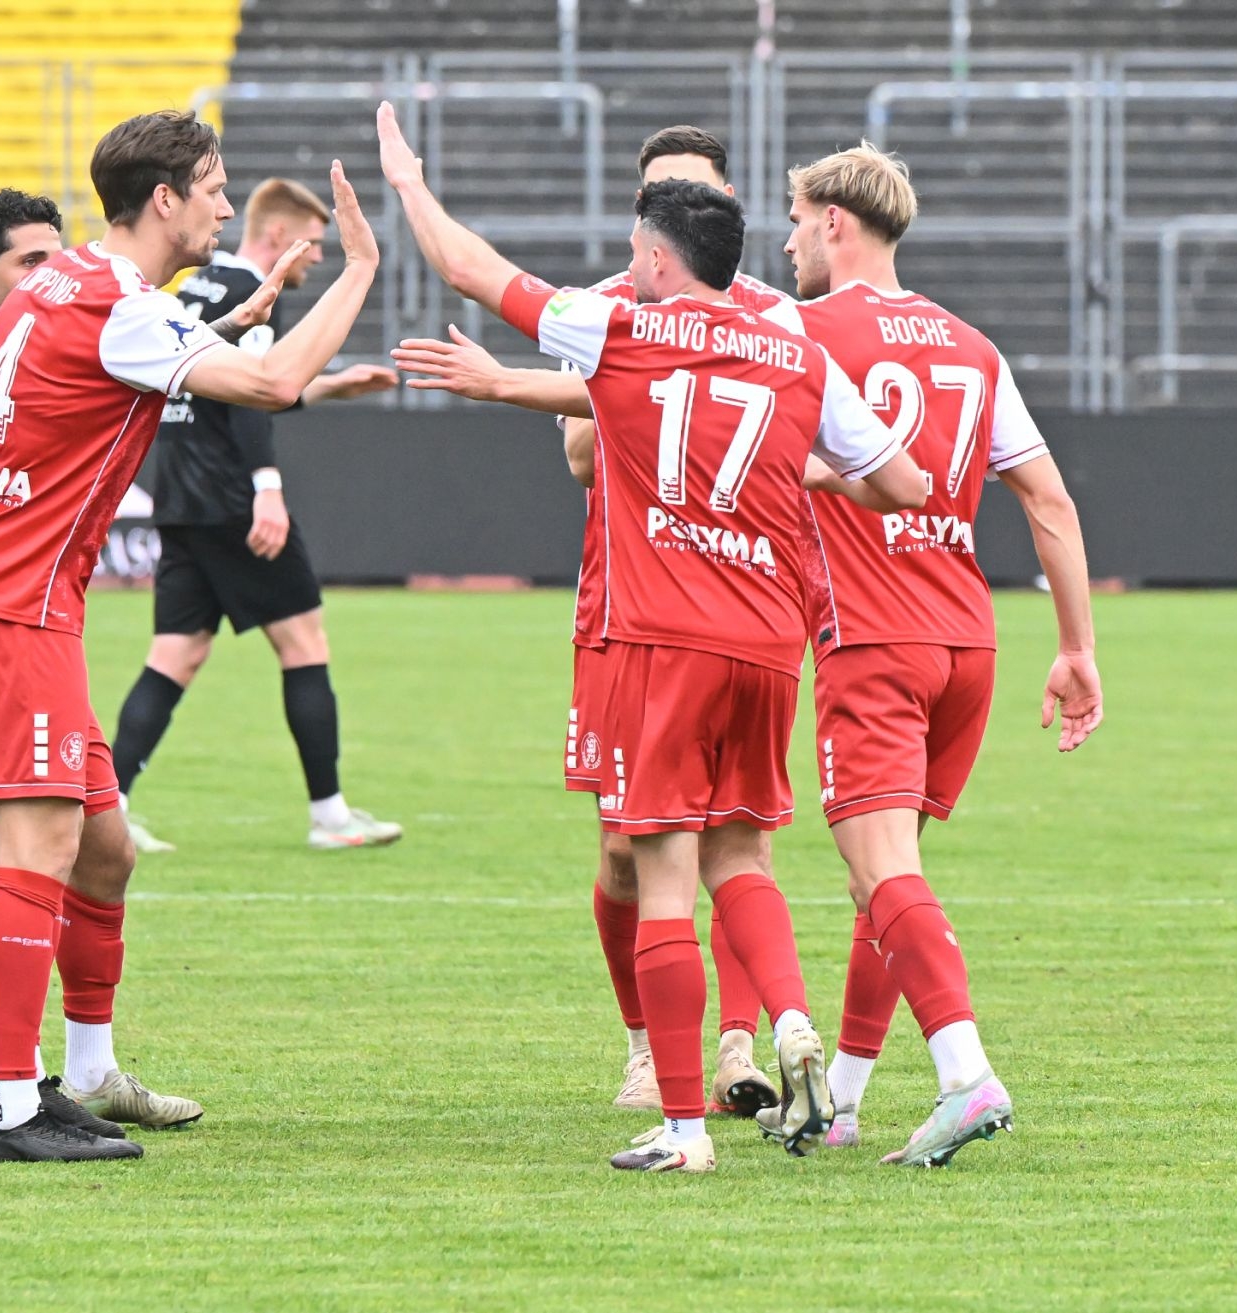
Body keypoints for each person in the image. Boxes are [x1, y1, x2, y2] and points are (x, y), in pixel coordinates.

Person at [377, 101, 927, 1172]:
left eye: (638, 248)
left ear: (664, 259)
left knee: (664, 874)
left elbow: (470, 269)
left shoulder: (621, 326)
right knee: (743, 855)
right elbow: (902, 483)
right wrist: (794, 470)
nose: (630, 264)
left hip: (663, 638)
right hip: (768, 642)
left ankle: (681, 1127)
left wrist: (409, 184)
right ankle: (791, 1021)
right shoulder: (796, 346)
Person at [0, 110, 382, 1162]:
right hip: (8, 601)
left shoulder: (62, 282)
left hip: (6, 590)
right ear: (165, 199)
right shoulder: (120, 309)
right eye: (214, 188)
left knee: (106, 848)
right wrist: (359, 268)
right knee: (41, 844)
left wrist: (255, 307)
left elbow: (145, 348)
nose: (227, 205)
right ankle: (11, 1106)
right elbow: (267, 384)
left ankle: (86, 1071)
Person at [0, 190, 294, 1148]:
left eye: (56, 256)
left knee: (106, 850)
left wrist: (216, 330)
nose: (52, 275)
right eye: (29, 263)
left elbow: (117, 357)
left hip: (31, 639)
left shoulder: (49, 343)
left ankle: (88, 1069)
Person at [391, 126, 805, 1120]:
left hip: (687, 619)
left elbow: (473, 271)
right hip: (624, 613)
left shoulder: (762, 316)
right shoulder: (619, 311)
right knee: (629, 852)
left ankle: (733, 1051)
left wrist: (514, 377)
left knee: (714, 850)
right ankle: (651, 1043)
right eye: (655, 194)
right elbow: (583, 459)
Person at [750, 142, 1102, 1166]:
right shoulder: (972, 347)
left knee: (883, 870)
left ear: (834, 222)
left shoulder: (800, 329)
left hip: (874, 639)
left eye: (795, 220)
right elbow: (1049, 501)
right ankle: (846, 1100)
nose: (787, 242)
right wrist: (1076, 648)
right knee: (883, 883)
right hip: (967, 643)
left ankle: (966, 1073)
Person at [111, 175, 401, 854]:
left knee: (176, 653)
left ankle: (110, 807)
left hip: (179, 495)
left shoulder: (194, 288)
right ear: (278, 235)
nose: (316, 257)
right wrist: (266, 488)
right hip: (232, 498)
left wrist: (327, 387)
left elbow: (224, 387)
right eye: (313, 244)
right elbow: (248, 402)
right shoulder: (252, 293)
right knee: (304, 643)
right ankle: (330, 814)